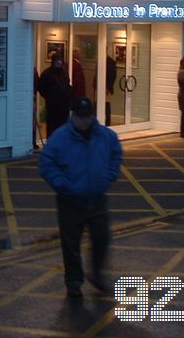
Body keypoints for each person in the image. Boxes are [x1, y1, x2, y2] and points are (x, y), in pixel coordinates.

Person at [38, 97, 123, 298]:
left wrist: (109, 176)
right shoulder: (60, 137)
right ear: (73, 115)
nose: (84, 121)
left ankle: (97, 274)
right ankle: (74, 282)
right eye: (80, 116)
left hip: (96, 198)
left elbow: (116, 154)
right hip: (70, 200)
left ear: (92, 115)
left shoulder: (106, 135)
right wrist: (62, 184)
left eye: (87, 116)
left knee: (102, 238)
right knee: (71, 243)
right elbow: (46, 164)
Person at [38, 52, 72, 138]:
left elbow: (67, 84)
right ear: (53, 61)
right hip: (52, 106)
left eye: (60, 60)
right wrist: (50, 96)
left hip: (64, 105)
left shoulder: (64, 73)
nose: (59, 62)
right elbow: (41, 88)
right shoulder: (46, 74)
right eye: (57, 60)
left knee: (64, 127)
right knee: (53, 126)